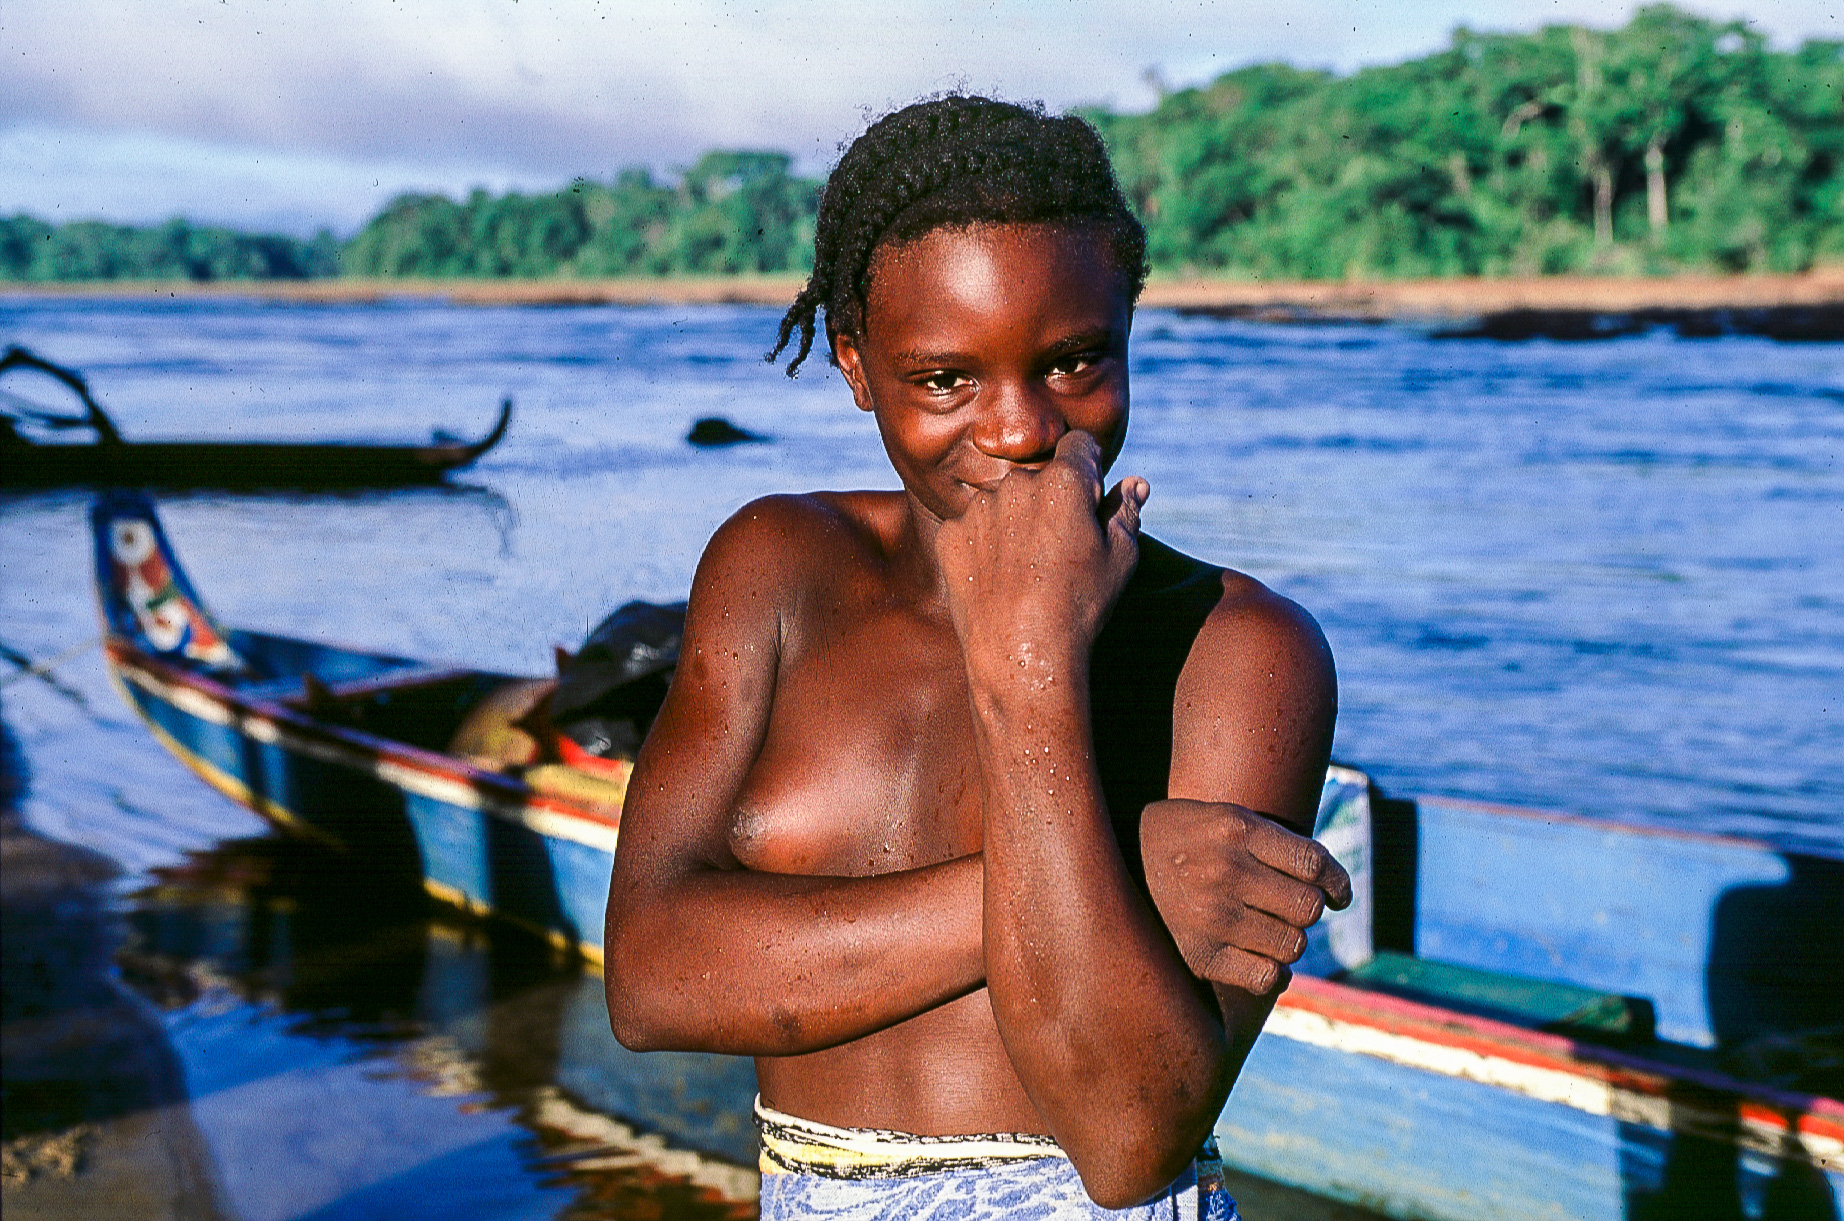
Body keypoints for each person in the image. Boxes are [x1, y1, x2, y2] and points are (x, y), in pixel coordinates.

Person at [604, 95, 1350, 1219]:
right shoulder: (778, 567)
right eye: (944, 378)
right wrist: (1102, 883)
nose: (1015, 430)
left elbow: (1127, 1136)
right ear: (855, 364)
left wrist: (1029, 664)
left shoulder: (1240, 651)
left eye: (1073, 362)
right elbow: (652, 979)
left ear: (1128, 328)